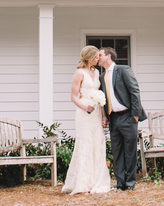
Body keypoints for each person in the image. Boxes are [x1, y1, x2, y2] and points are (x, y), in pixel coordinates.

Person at [61, 46, 110, 194]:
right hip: (84, 113)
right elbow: (73, 96)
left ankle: (96, 181)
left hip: (96, 113)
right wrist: (84, 106)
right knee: (85, 144)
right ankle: (83, 182)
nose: (98, 59)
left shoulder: (97, 72)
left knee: (97, 143)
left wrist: (103, 115)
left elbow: (100, 97)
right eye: (96, 57)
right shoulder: (79, 73)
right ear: (89, 58)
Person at [97, 46, 146, 191]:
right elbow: (103, 99)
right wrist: (105, 117)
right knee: (116, 151)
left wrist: (135, 115)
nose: (97, 57)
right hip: (114, 119)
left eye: (100, 55)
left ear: (108, 56)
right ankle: (120, 182)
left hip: (128, 116)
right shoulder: (101, 77)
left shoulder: (123, 70)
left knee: (130, 151)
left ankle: (130, 183)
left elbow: (134, 91)